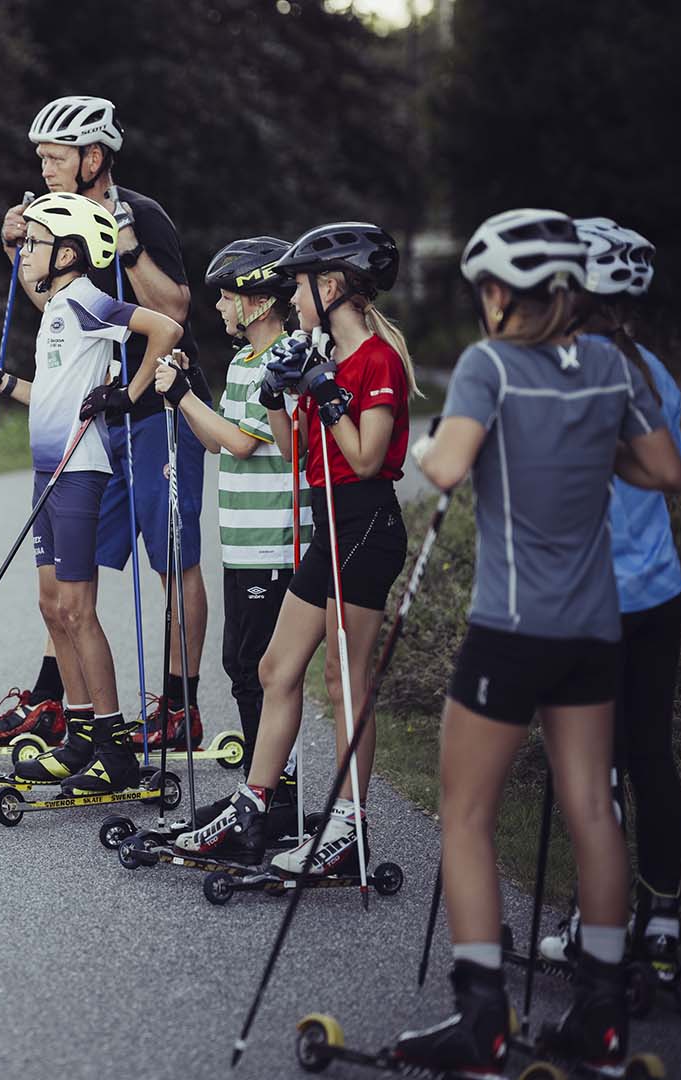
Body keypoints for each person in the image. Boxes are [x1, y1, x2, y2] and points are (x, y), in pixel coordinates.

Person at [393, 209, 681, 1075]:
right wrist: (597, 459)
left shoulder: (490, 366)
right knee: (595, 807)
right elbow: (666, 471)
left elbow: (445, 468)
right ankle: (600, 1018)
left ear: (497, 291)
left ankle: (480, 1020)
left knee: (468, 815)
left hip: (512, 629)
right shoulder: (608, 363)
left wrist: (430, 443)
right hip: (595, 630)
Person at [173, 222, 415, 874]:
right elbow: (296, 455)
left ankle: (347, 826)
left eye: (301, 286)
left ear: (331, 287)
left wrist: (327, 392)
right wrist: (282, 393)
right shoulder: (320, 353)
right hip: (329, 524)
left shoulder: (375, 362)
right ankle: (255, 805)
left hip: (366, 527)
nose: (293, 297)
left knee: (344, 682)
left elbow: (364, 458)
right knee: (276, 670)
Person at [0, 95, 211, 753]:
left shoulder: (139, 213)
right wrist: (17, 250)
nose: (45, 165)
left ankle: (179, 707)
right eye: (41, 155)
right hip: (96, 417)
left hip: (157, 411)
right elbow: (54, 307)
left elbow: (175, 307)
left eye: (56, 155)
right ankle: (57, 700)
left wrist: (131, 246)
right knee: (72, 565)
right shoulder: (55, 217)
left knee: (172, 556)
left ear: (94, 157)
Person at [0, 193, 183, 794]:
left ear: (68, 252)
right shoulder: (60, 308)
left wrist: (130, 393)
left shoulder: (88, 299)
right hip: (48, 469)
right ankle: (81, 736)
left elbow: (165, 328)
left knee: (77, 609)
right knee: (51, 606)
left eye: (35, 244)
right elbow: (53, 395)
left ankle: (113, 748)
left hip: (79, 471)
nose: (26, 253)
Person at [540, 219, 681, 987]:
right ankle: (660, 921)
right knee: (650, 756)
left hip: (589, 601)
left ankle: (594, 926)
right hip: (658, 593)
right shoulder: (655, 371)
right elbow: (670, 471)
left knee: (592, 769)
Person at [152, 236, 313, 799]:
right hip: (244, 544)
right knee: (242, 666)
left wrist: (182, 397)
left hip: (275, 541)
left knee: (254, 669)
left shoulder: (282, 358)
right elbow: (216, 442)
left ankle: (270, 792)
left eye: (225, 297)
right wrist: (189, 389)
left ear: (259, 302)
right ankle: (263, 787)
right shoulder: (245, 361)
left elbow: (243, 443)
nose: (216, 307)